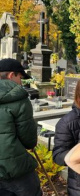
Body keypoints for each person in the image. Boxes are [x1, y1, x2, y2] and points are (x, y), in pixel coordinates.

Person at [0, 58, 42, 196]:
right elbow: (29, 140)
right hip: (14, 168)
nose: (21, 82)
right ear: (12, 75)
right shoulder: (18, 97)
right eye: (20, 77)